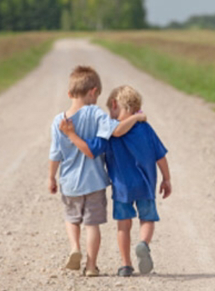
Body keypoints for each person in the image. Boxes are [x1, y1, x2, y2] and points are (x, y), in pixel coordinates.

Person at [59, 85, 171, 277]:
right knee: (147, 219)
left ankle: (125, 265)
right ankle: (143, 243)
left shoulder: (109, 132)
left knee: (123, 226)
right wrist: (166, 179)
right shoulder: (145, 128)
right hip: (146, 184)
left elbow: (90, 150)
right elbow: (160, 156)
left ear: (114, 104)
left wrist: (72, 135)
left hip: (122, 188)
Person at [48, 67, 146, 277]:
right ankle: (91, 266)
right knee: (92, 225)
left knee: (71, 218)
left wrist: (51, 178)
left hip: (70, 182)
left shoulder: (59, 121)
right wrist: (137, 118)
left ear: (69, 94)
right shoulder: (96, 114)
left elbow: (55, 154)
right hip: (94, 182)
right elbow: (117, 130)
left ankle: (75, 247)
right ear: (93, 92)